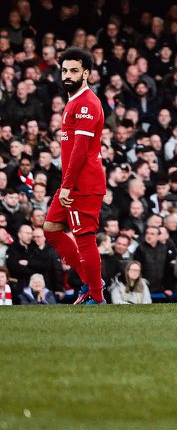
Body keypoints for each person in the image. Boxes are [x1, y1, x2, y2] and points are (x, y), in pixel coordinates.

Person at [43, 48, 106, 305]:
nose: (67, 75)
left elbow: (80, 151)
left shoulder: (87, 104)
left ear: (86, 73)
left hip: (82, 184)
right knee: (51, 228)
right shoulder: (74, 102)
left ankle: (97, 298)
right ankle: (91, 282)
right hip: (72, 183)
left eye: (74, 71)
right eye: (64, 70)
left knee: (85, 238)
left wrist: (68, 186)